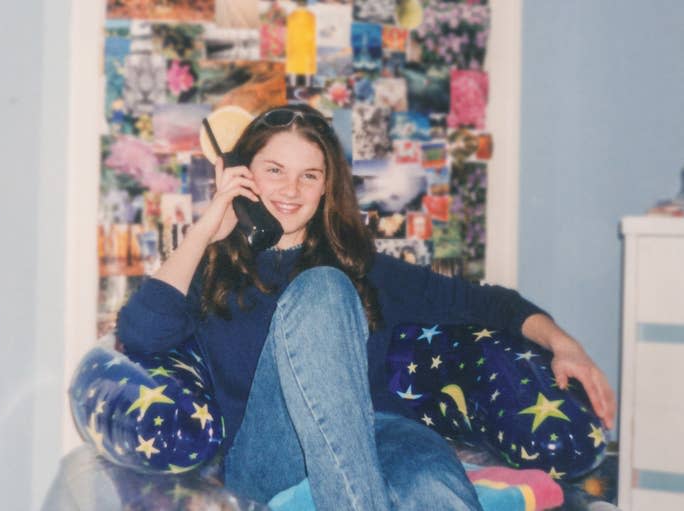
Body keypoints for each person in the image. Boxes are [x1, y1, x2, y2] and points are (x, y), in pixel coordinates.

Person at [117, 103, 616, 510]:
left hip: (382, 434)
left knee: (431, 485)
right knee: (324, 290)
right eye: (274, 171)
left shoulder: (364, 267)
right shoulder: (211, 273)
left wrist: (563, 343)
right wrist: (207, 230)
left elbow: (489, 302)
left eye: (309, 176)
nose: (291, 190)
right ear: (241, 176)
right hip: (271, 455)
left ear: (325, 189)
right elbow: (139, 335)